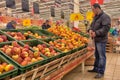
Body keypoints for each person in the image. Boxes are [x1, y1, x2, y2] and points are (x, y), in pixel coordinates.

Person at [88, 3, 111, 79]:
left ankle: (101, 71)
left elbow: (106, 28)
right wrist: (90, 29)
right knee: (97, 55)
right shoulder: (96, 17)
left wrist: (96, 33)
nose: (92, 11)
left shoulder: (105, 17)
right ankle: (96, 68)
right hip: (96, 39)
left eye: (93, 9)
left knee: (101, 56)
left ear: (97, 8)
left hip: (101, 40)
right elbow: (92, 25)